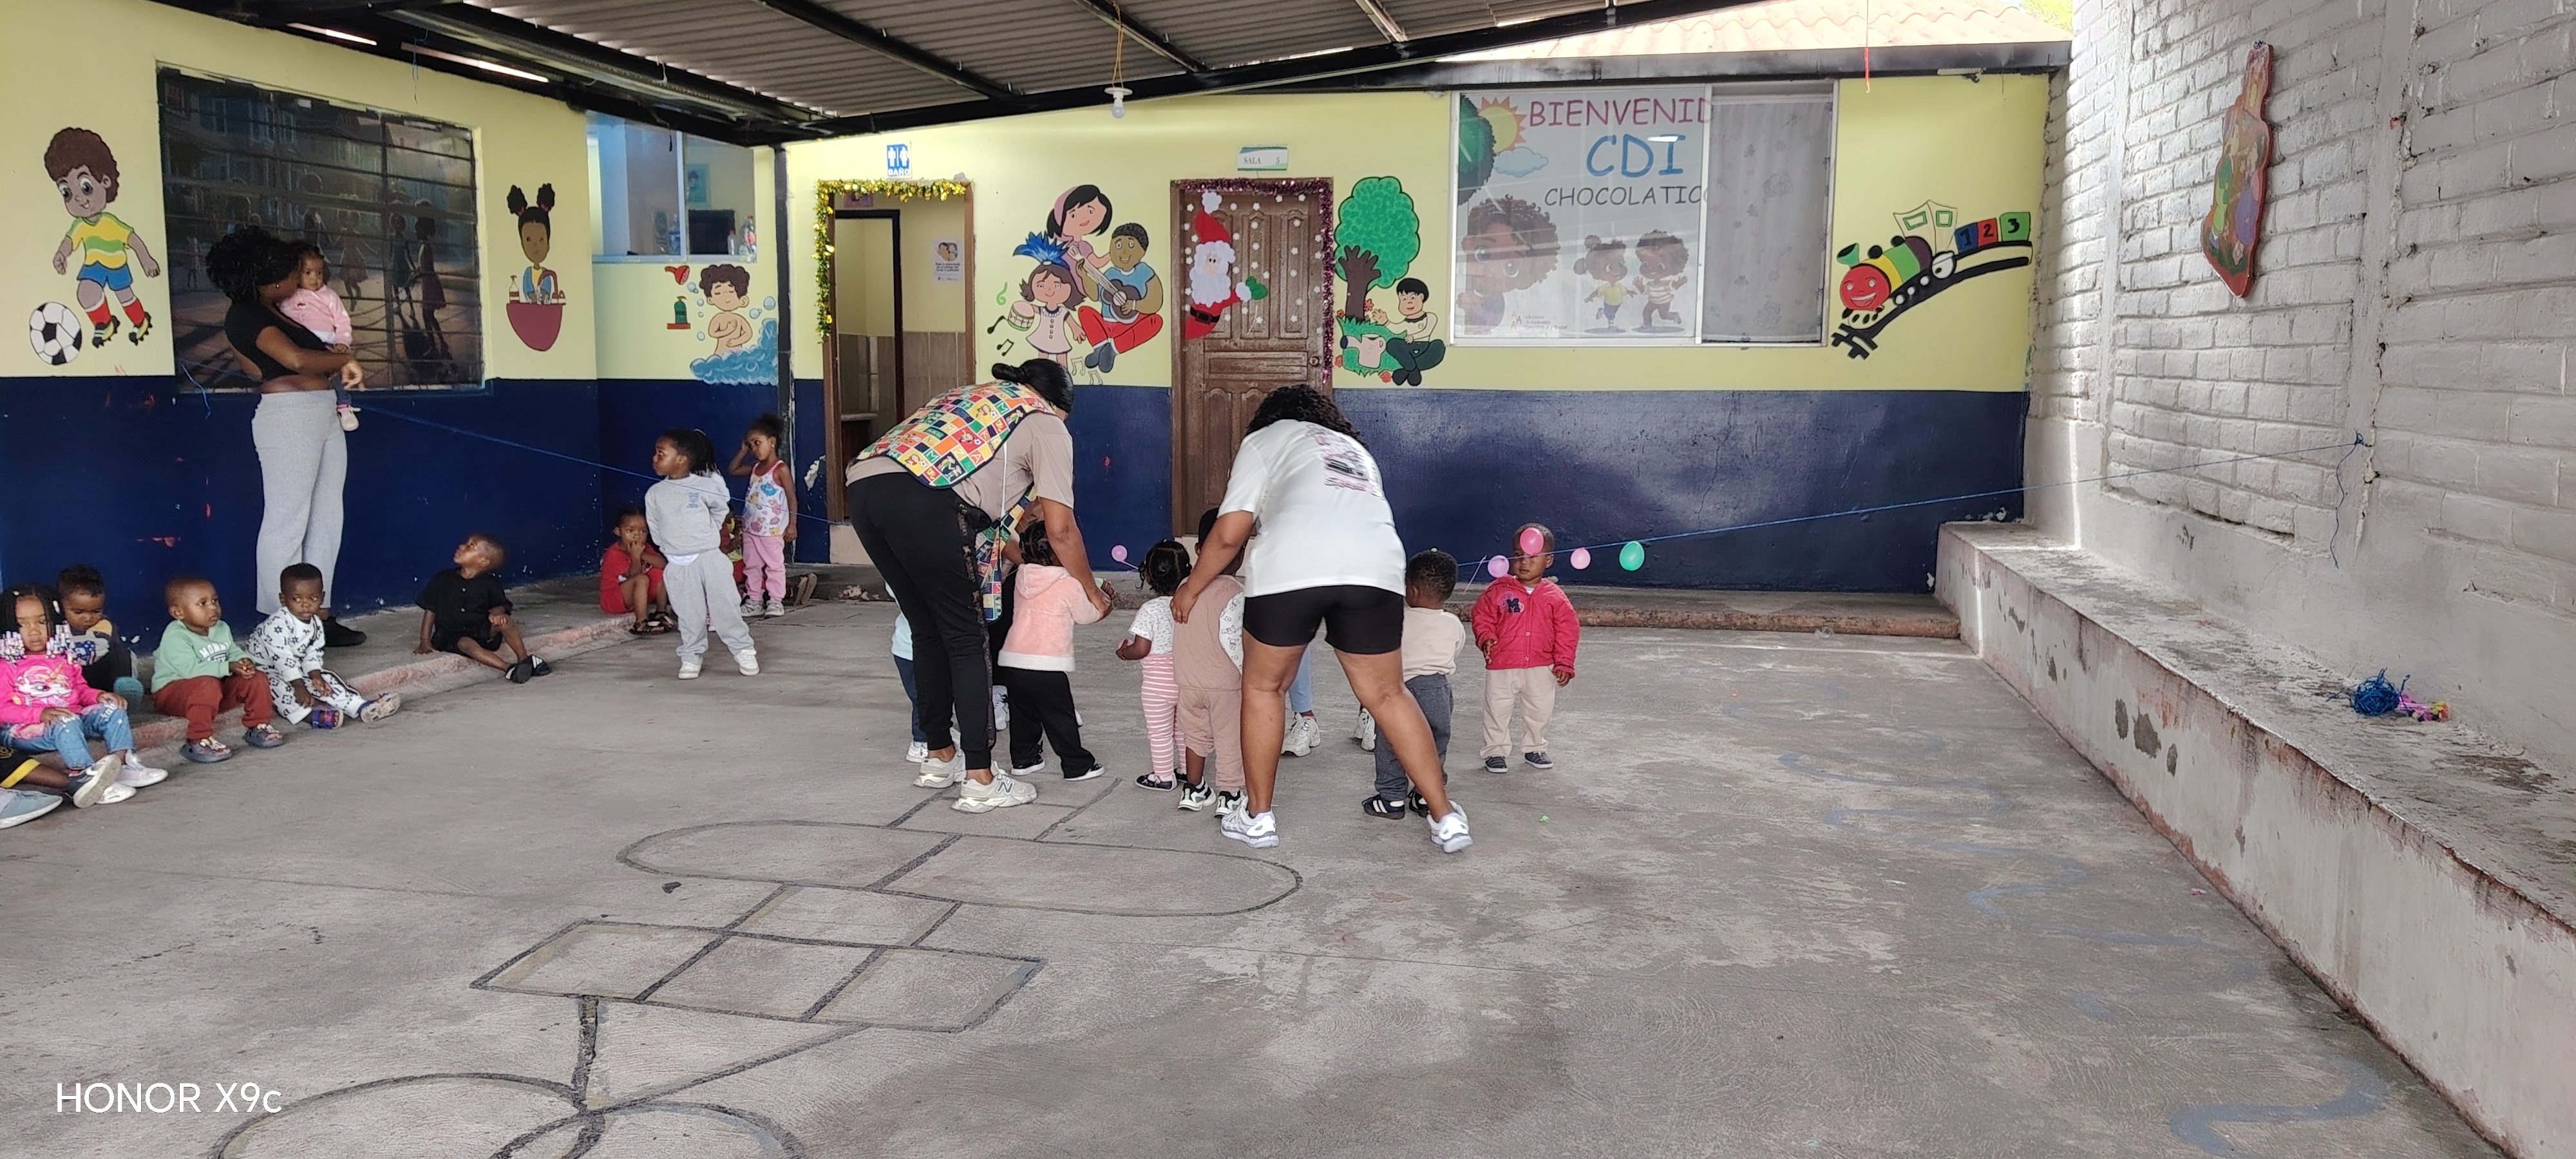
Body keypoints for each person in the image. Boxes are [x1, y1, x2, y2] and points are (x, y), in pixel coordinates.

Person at [1174, 385, 1471, 853]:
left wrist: (1191, 588)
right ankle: (1446, 816)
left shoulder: (1264, 439)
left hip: (1293, 565)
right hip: (1376, 569)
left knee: (1264, 688)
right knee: (1389, 694)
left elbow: (1230, 534)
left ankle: (1258, 817)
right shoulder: (1355, 450)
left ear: (1270, 416)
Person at [845, 359, 1111, 815]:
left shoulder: (969, 397)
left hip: (865, 488)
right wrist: (1091, 591)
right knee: (967, 640)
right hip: (927, 499)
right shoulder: (1045, 421)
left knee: (927, 629)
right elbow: (1061, 529)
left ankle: (938, 756)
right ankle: (981, 779)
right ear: (1059, 405)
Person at [207, 227, 365, 646]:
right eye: (290, 273)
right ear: (266, 280)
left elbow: (278, 363)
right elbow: (295, 359)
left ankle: (318, 616)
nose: (298, 279)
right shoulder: (245, 316)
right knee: (288, 522)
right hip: (289, 418)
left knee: (326, 517)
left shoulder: (276, 311)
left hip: (321, 411)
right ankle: (283, 624)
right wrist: (344, 358)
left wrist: (334, 363)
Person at [3, 583, 158, 802]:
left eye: (42, 621)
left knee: (113, 710)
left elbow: (79, 689)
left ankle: (122, 765)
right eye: (22, 624)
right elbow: (3, 709)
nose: (34, 631)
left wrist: (98, 696)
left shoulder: (63, 656)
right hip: (26, 730)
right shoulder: (6, 666)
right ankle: (85, 778)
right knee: (66, 722)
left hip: (72, 719)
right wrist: (40, 714)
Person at [994, 521, 1106, 782]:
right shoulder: (1068, 583)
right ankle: (1077, 765)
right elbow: (1087, 616)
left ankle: (1024, 760)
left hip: (1014, 659)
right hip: (1047, 663)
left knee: (1023, 715)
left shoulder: (1022, 576)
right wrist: (1104, 603)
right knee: (1060, 716)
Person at [648, 429, 759, 681]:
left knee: (725, 607)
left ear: (681, 460)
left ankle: (743, 649)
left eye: (661, 454)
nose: (655, 458)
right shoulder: (654, 494)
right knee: (689, 614)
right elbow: (655, 528)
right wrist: (671, 548)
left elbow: (720, 510)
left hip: (709, 558)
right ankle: (691, 655)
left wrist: (707, 535)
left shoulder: (705, 486)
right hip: (678, 564)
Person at [1472, 523, 1580, 772]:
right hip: (1502, 664)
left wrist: (1564, 662)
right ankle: (1495, 751)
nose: (1524, 562)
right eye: (1518, 555)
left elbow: (1568, 630)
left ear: (1548, 561)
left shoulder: (1555, 597)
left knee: (1539, 710)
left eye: (1532, 556)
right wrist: (1485, 636)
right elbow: (1482, 616)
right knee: (1497, 709)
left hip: (1541, 666)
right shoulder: (1499, 590)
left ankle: (1535, 748)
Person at [1367, 551, 1463, 818]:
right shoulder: (1453, 624)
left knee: (1391, 744)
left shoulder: (1398, 619)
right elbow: (1454, 652)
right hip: (1439, 692)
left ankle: (1391, 798)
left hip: (1401, 691)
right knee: (1434, 745)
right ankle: (1425, 796)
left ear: (1413, 589)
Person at [151, 575, 284, 764]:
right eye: (203, 604)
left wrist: (243, 662)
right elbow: (190, 670)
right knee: (207, 684)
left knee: (256, 678)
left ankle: (259, 726)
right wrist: (228, 666)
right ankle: (197, 740)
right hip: (173, 694)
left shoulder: (221, 628)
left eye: (214, 601)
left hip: (213, 691)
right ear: (178, 613)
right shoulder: (175, 636)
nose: (213, 607)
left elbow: (232, 651)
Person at [250, 563, 401, 729]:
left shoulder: (316, 623)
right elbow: (283, 659)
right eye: (297, 599)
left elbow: (313, 653)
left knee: (327, 679)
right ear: (283, 599)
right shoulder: (276, 625)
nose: (305, 605)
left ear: (322, 598)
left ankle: (360, 707)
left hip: (295, 667)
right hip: (264, 670)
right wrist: (299, 686)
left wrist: (315, 676)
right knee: (278, 688)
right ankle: (312, 717)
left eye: (313, 599)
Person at [1170, 509, 1247, 815]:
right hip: (1224, 685)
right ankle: (1229, 793)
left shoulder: (1184, 588)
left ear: (1199, 549)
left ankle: (1194, 789)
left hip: (1188, 681)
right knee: (1230, 738)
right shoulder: (1235, 591)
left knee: (1195, 735)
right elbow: (1235, 642)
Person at [415, 534, 551, 684]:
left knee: (505, 621)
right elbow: (430, 610)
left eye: (470, 546)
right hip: (451, 635)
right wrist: (425, 641)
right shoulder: (442, 579)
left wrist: (498, 612)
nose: (461, 546)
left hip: (482, 630)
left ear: (483, 562)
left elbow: (501, 604)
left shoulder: (490, 583)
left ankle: (524, 659)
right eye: (465, 543)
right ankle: (509, 669)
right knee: (466, 643)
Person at [1115, 540, 1190, 790]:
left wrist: (1125, 652)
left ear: (1148, 575)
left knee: (1160, 733)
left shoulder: (1150, 610)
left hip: (1157, 688)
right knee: (1183, 730)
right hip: (1186, 681)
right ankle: (1186, 770)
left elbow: (1141, 649)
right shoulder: (1189, 604)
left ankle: (1163, 776)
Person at [276, 243, 360, 432]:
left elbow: (342, 322)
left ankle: (343, 405)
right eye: (307, 273)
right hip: (298, 348)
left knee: (336, 376)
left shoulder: (329, 296)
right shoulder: (286, 296)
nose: (315, 278)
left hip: (327, 345)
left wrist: (342, 342)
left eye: (319, 273)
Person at [728, 413, 797, 618]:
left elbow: (792, 498)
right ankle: (754, 600)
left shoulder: (780, 469)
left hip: (772, 531)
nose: (754, 449)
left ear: (772, 442)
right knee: (752, 566)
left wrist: (792, 524)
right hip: (751, 529)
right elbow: (733, 470)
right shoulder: (755, 468)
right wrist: (743, 451)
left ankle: (775, 600)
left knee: (774, 566)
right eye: (751, 445)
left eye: (757, 443)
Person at [55, 563, 143, 701]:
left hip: (102, 684)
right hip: (69, 682)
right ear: (60, 606)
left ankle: (124, 692)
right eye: (79, 612)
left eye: (96, 611)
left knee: (123, 653)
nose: (88, 618)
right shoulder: (55, 628)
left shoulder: (105, 627)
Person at [601, 505, 672, 635]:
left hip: (636, 597)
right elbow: (635, 575)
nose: (637, 536)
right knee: (641, 579)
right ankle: (640, 623)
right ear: (618, 531)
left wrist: (642, 554)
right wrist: (635, 556)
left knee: (660, 573)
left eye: (643, 532)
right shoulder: (614, 554)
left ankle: (661, 613)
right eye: (630, 531)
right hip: (614, 601)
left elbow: (663, 564)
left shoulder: (644, 548)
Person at [892, 612, 927, 764]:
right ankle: (921, 743)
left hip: (914, 647)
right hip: (910, 650)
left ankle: (932, 737)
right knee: (923, 698)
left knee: (934, 697)